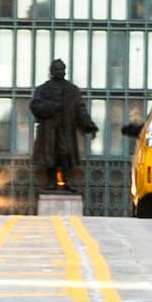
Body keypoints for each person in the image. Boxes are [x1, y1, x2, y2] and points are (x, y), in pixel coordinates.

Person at [26, 61, 93, 203]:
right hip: (49, 129)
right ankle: (51, 182)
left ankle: (68, 180)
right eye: (57, 69)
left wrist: (88, 125)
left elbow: (80, 108)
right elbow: (35, 106)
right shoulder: (42, 89)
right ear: (51, 71)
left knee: (66, 154)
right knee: (50, 155)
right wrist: (53, 106)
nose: (60, 72)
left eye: (62, 69)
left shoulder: (72, 89)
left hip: (66, 129)